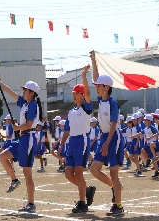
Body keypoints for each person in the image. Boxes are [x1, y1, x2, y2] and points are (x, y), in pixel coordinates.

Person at [0, 75, 42, 212]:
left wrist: (16, 128)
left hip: (28, 139)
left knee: (28, 174)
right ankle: (14, 180)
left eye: (25, 90)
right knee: (3, 156)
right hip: (22, 139)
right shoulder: (25, 103)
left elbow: (30, 124)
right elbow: (11, 93)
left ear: (31, 93)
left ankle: (31, 204)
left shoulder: (32, 105)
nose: (23, 92)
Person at [89, 50, 125, 216]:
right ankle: (115, 187)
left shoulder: (112, 103)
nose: (96, 87)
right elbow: (96, 77)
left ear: (107, 87)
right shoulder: (100, 100)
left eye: (99, 86)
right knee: (94, 170)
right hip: (104, 137)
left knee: (113, 173)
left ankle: (118, 205)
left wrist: (106, 143)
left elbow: (113, 126)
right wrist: (93, 60)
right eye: (96, 85)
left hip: (113, 137)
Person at [57, 65, 96, 213]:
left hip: (82, 141)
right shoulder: (71, 112)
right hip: (72, 143)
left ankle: (82, 203)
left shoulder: (86, 108)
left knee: (78, 173)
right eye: (73, 93)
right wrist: (60, 147)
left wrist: (84, 75)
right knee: (68, 174)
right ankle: (87, 190)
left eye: (76, 93)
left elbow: (87, 91)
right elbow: (66, 131)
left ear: (81, 95)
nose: (74, 95)